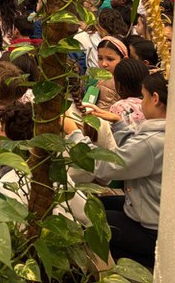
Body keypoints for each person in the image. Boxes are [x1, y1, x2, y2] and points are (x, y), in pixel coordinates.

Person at [65, 72, 168, 269]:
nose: (141, 102)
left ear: (155, 99)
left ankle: (125, 266)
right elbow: (135, 154)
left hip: (150, 230)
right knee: (95, 205)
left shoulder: (152, 142)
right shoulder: (159, 134)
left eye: (143, 96)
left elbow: (105, 166)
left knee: (90, 218)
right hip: (145, 208)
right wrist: (117, 122)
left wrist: (74, 134)